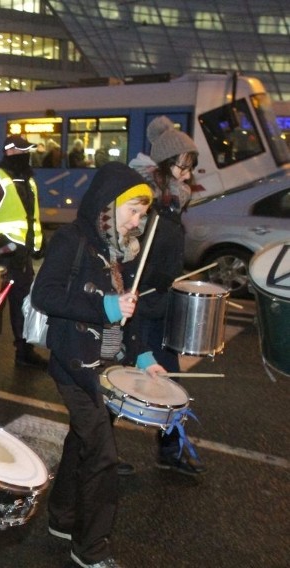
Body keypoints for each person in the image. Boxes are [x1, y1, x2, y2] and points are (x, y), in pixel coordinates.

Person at [32, 161, 165, 568]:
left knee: (82, 441)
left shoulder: (121, 251)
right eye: (132, 211)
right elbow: (45, 296)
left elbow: (129, 315)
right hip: (75, 366)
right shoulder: (72, 241)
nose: (138, 222)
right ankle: (89, 547)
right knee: (103, 455)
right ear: (108, 207)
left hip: (109, 368)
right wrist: (105, 305)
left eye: (143, 214)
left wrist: (143, 356)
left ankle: (62, 516)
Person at [129, 115, 206, 476]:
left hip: (162, 302)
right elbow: (129, 250)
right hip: (139, 304)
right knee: (124, 377)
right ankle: (93, 449)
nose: (188, 174)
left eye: (190, 167)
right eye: (183, 166)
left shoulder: (173, 200)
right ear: (164, 163)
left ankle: (171, 449)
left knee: (168, 378)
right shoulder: (147, 201)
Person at [0, 134, 46, 368]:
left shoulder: (28, 179)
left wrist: (38, 244)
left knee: (23, 306)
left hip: (22, 257)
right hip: (2, 256)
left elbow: (32, 217)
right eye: (20, 150)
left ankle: (24, 351)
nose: (25, 155)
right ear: (8, 151)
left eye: (26, 150)